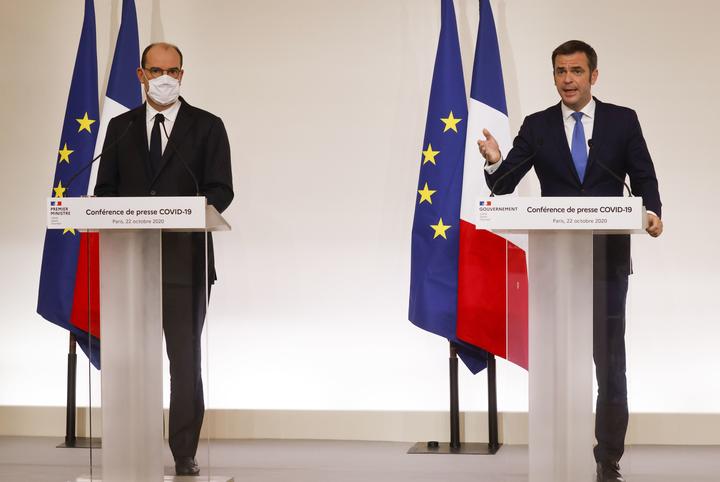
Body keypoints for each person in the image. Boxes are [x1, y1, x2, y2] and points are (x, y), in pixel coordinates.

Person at [477, 40, 662, 482]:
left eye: (576, 71)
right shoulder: (538, 126)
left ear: (593, 76)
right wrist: (496, 161)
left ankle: (607, 460)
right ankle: (557, 451)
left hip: (607, 262)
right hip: (556, 264)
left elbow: (644, 177)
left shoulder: (622, 121)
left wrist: (651, 211)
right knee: (557, 362)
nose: (568, 80)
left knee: (609, 365)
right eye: (560, 71)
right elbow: (504, 185)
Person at [94, 42, 233, 476]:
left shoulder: (207, 126)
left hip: (184, 263)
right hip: (130, 267)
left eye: (173, 70)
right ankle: (128, 443)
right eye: (156, 70)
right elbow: (104, 194)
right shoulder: (120, 127)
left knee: (184, 360)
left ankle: (183, 452)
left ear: (183, 74)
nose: (165, 78)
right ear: (141, 75)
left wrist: (180, 212)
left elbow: (221, 190)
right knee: (129, 359)